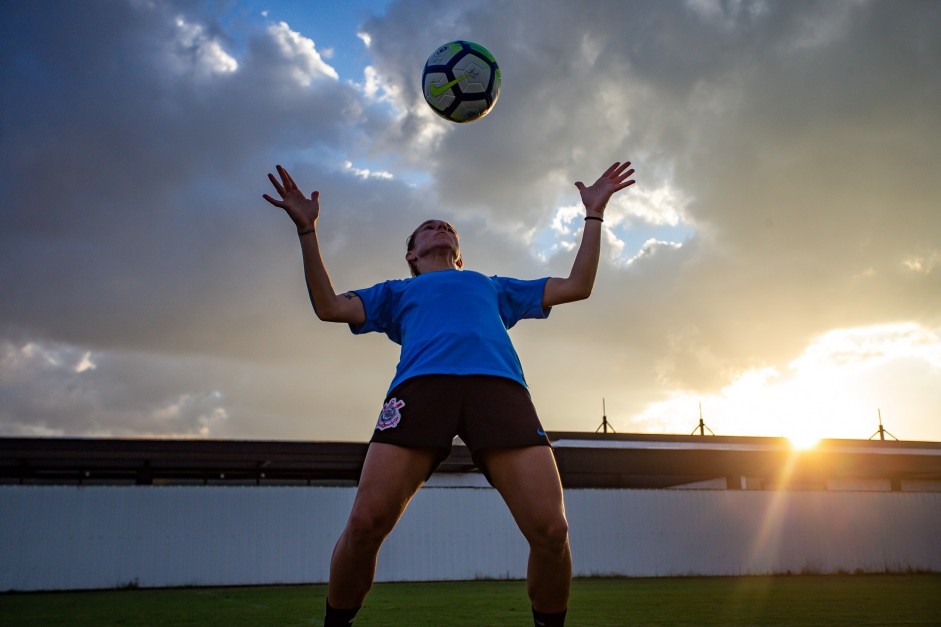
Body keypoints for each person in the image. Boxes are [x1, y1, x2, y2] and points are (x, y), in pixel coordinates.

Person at [264, 161, 635, 627]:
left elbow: (578, 286)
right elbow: (329, 306)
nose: (439, 228)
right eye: (427, 228)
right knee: (364, 526)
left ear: (458, 252)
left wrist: (594, 214)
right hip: (421, 392)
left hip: (498, 393)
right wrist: (307, 230)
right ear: (412, 256)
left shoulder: (492, 286)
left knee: (551, 529)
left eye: (447, 227)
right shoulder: (396, 293)